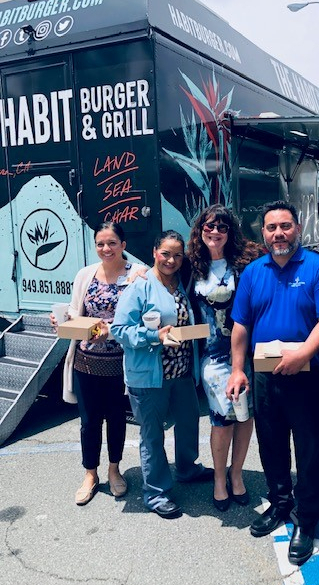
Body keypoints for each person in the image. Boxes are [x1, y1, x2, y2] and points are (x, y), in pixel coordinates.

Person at [228, 200, 319, 566]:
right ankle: (279, 504)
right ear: (263, 233)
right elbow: (241, 325)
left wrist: (304, 355)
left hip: (308, 375)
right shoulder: (253, 273)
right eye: (271, 227)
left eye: (285, 226)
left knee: (309, 448)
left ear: (298, 229)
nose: (278, 233)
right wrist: (237, 368)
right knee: (271, 443)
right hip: (265, 375)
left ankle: (306, 520)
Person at [111, 230, 213, 519]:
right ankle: (155, 493)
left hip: (181, 373)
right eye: (166, 253)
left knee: (188, 422)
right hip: (149, 375)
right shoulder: (140, 285)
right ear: (155, 252)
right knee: (152, 435)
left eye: (177, 255)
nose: (171, 259)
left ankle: (187, 468)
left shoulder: (181, 283)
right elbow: (119, 331)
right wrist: (153, 336)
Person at [55, 222, 144, 506]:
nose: (106, 249)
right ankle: (90, 474)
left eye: (112, 243)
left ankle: (114, 469)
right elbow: (73, 310)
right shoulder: (85, 274)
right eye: (100, 244)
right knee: (89, 422)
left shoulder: (137, 274)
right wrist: (62, 320)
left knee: (117, 419)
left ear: (123, 245)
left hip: (121, 363)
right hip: (87, 362)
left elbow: (143, 314)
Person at [188, 204, 260, 512]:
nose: (214, 232)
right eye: (208, 227)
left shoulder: (246, 263)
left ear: (230, 233)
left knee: (245, 414)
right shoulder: (191, 265)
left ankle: (237, 473)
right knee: (222, 416)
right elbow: (159, 271)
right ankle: (219, 478)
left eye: (221, 227)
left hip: (246, 352)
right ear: (200, 231)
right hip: (213, 355)